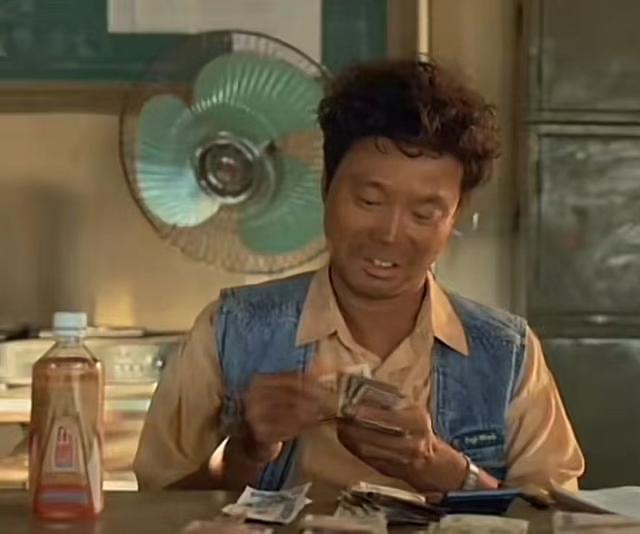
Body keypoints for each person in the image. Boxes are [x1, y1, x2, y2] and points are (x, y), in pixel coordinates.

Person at [133, 59, 584, 493]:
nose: (390, 235)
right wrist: (243, 453)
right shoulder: (229, 329)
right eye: (369, 201)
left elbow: (556, 518)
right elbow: (154, 507)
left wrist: (443, 470)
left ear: (455, 216)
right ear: (326, 186)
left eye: (424, 213)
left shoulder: (506, 353)